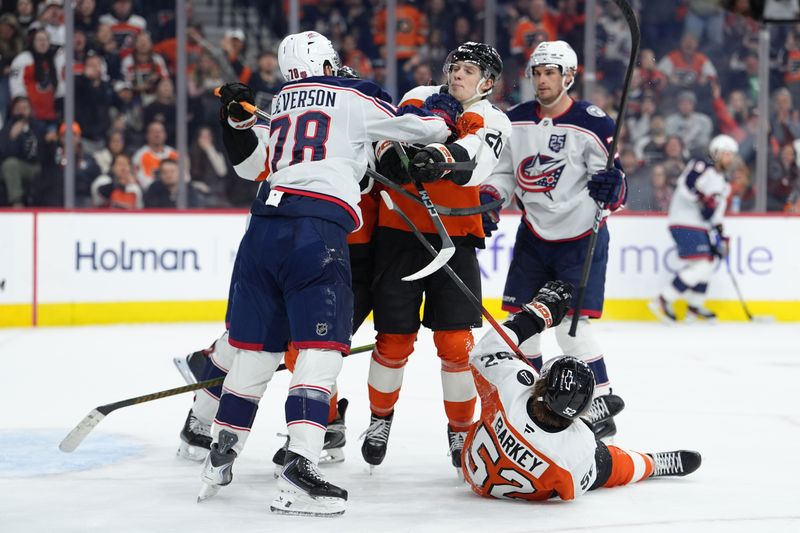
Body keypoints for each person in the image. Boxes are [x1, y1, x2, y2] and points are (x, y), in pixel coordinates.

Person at [196, 31, 451, 517]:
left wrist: (234, 121)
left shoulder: (284, 101)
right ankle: (300, 468)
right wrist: (441, 112)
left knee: (257, 349)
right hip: (313, 232)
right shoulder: (358, 94)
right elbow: (424, 132)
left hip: (261, 230)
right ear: (331, 62)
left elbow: (254, 163)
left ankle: (220, 453)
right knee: (318, 352)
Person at [362, 42, 512, 474]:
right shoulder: (416, 97)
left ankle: (461, 430)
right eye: (456, 67)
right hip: (398, 234)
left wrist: (435, 158)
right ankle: (379, 421)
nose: (459, 74)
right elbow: (385, 140)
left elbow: (477, 155)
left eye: (470, 70)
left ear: (487, 82)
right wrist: (396, 154)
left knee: (454, 345)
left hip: (455, 239)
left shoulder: (491, 117)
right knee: (393, 341)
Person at [481, 40, 626, 438]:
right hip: (535, 238)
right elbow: (506, 173)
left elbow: (615, 186)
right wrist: (491, 199)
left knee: (570, 331)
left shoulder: (593, 123)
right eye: (537, 73)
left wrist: (613, 189)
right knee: (521, 328)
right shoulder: (517, 120)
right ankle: (527, 405)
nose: (542, 80)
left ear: (569, 77)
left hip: (582, 239)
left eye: (551, 73)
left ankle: (602, 407)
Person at [463, 280, 702, 501]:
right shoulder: (578, 449)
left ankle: (583, 419)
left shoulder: (511, 387)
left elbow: (485, 351)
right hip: (554, 458)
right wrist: (581, 432)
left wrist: (540, 314)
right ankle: (651, 464)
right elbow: (571, 490)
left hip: (472, 471)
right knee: (609, 464)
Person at [649, 134, 738, 322]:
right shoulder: (702, 166)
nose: (729, 158)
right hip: (683, 221)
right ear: (716, 153)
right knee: (704, 263)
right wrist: (702, 198)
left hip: (700, 226)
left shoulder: (724, 183)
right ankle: (663, 299)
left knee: (710, 262)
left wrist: (722, 234)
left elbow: (716, 212)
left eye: (732, 154)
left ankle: (694, 305)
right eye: (726, 153)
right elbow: (685, 184)